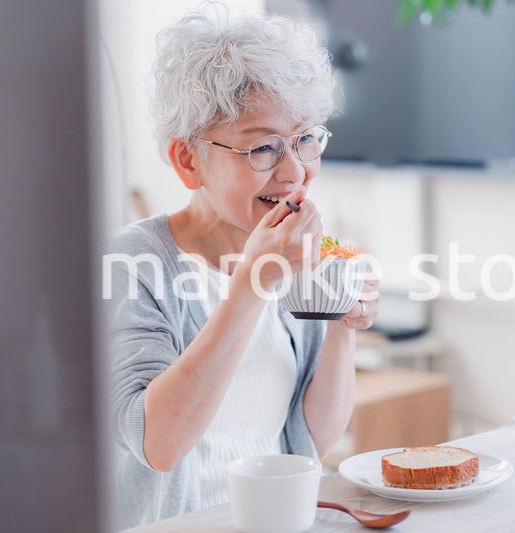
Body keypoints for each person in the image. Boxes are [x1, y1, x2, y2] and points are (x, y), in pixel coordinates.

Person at [105, 7, 379, 528]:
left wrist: (344, 326)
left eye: (304, 138)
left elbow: (311, 442)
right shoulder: (131, 263)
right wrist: (254, 282)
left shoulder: (300, 257)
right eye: (262, 148)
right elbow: (157, 444)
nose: (295, 170)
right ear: (189, 160)